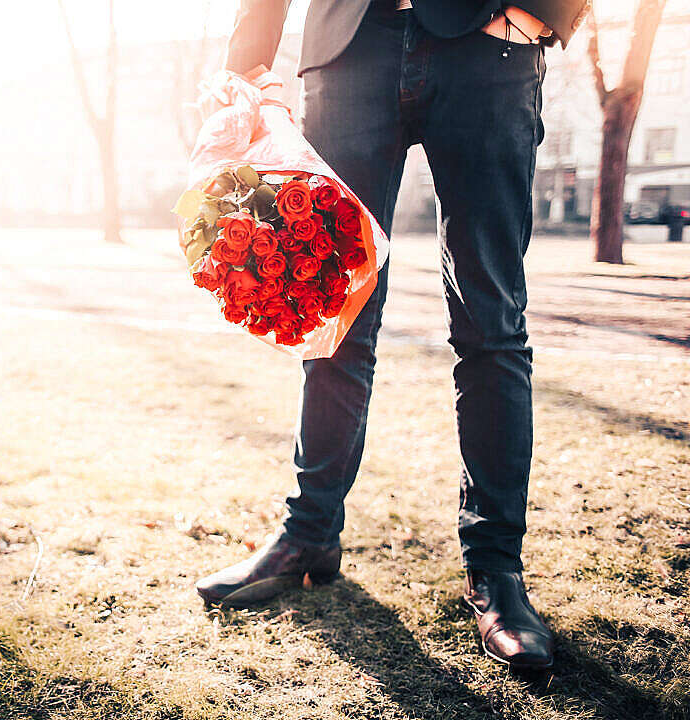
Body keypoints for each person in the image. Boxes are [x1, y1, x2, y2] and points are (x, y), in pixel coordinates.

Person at [195, 0, 589, 670]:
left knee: (490, 321)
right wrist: (249, 64)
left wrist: (542, 13)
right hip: (348, 49)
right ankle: (309, 536)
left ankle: (497, 571)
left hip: (489, 40)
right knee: (336, 313)